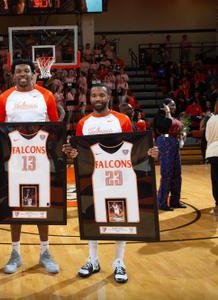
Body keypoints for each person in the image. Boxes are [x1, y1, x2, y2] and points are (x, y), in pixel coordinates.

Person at [63, 83, 158, 284]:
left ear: (108, 98)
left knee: (119, 218)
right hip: (95, 175)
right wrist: (72, 154)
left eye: (101, 95)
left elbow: (132, 148)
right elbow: (82, 152)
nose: (97, 99)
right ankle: (93, 259)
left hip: (119, 175)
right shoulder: (83, 123)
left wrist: (149, 153)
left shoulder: (122, 120)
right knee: (91, 216)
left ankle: (118, 261)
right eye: (94, 95)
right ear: (89, 98)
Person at [0, 59, 60, 274]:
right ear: (13, 76)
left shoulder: (46, 96)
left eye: (27, 71)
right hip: (15, 159)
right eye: (18, 71)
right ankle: (15, 253)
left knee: (41, 206)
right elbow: (1, 129)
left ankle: (45, 252)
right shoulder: (5, 97)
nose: (23, 74)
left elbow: (54, 127)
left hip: (40, 158)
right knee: (16, 206)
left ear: (34, 74)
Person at [153, 99, 186, 211]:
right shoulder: (160, 117)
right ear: (164, 106)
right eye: (171, 105)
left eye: (175, 105)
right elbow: (167, 125)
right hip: (165, 141)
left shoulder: (173, 117)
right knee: (167, 173)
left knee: (177, 174)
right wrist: (167, 112)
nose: (174, 107)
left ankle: (175, 201)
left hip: (174, 143)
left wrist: (182, 135)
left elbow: (180, 128)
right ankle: (162, 202)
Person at [205, 101, 218, 215]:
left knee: (215, 179)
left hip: (213, 151)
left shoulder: (211, 120)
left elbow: (207, 137)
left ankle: (217, 204)